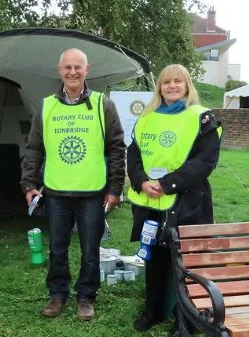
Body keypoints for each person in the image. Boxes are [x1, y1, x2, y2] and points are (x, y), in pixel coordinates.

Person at [20, 48, 126, 320]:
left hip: (93, 193)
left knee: (90, 249)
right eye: (67, 67)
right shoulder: (47, 106)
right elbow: (33, 149)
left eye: (78, 67)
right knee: (57, 248)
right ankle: (57, 295)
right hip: (55, 192)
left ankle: (86, 297)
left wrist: (115, 189)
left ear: (87, 70)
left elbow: (116, 148)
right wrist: (29, 183)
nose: (73, 72)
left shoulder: (104, 105)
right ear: (60, 71)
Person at [127, 64, 222, 333]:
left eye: (177, 81)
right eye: (166, 82)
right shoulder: (147, 118)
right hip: (151, 203)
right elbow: (133, 155)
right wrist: (142, 181)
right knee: (154, 259)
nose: (171, 86)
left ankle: (186, 317)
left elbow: (205, 162)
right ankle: (153, 310)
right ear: (160, 87)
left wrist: (167, 184)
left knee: (186, 264)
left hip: (186, 202)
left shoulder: (203, 118)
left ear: (187, 85)